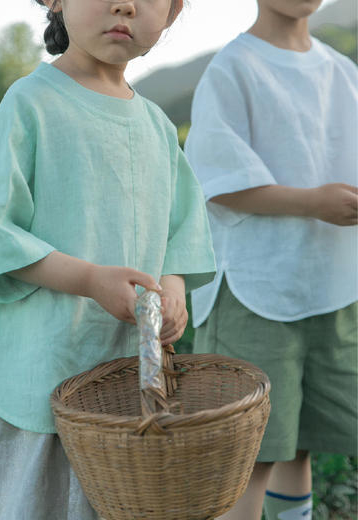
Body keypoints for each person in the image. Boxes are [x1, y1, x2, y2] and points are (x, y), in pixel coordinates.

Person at [0, 0, 216, 518]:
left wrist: (174, 283)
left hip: (123, 367)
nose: (126, 5)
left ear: (174, 10)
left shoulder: (157, 125)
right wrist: (89, 278)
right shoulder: (30, 103)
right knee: (36, 496)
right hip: (42, 358)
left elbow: (182, 224)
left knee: (116, 489)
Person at [185, 0, 358, 519]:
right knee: (249, 455)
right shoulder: (234, 67)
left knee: (298, 440)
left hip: (333, 286)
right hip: (254, 292)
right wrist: (314, 203)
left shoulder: (342, 71)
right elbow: (218, 185)